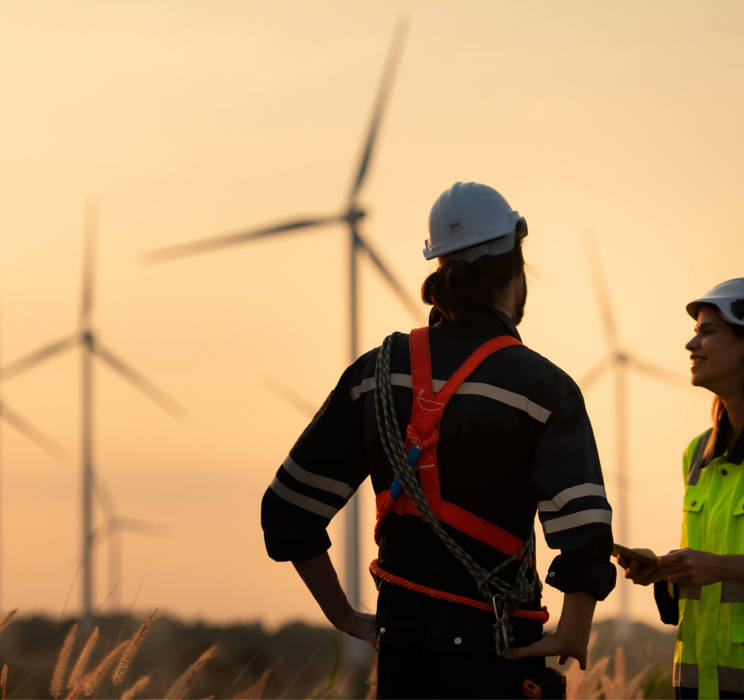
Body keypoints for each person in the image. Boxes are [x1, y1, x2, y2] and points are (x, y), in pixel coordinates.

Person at [261, 182, 616, 699]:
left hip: (401, 653)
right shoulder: (544, 390)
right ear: (516, 271)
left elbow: (287, 509)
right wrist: (575, 625)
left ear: (441, 269)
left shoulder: (374, 374)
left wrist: (344, 615)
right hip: (497, 656)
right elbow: (583, 528)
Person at [617, 278, 744, 699]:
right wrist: (665, 571)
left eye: (707, 332)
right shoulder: (696, 455)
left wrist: (722, 568)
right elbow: (707, 569)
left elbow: (719, 567)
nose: (691, 345)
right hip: (695, 685)